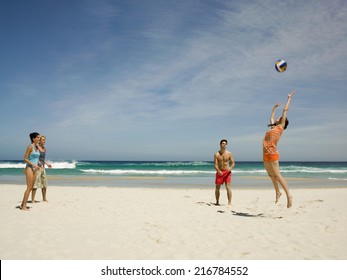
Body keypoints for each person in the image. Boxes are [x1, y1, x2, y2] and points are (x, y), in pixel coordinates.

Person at [262, 90, 296, 208]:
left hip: (272, 153)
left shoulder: (280, 127)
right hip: (265, 153)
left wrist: (289, 98)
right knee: (271, 176)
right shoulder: (273, 127)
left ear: (283, 122)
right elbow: (271, 117)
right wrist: (274, 108)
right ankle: (277, 192)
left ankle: (289, 195)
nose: (278, 118)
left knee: (277, 175)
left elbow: (285, 110)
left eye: (280, 118)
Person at [20, 132, 41, 210]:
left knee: (31, 187)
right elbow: (25, 158)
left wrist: (39, 164)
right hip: (29, 168)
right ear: (33, 139)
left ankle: (22, 204)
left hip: (35, 169)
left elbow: (36, 158)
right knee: (29, 188)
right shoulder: (30, 147)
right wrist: (34, 165)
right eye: (38, 137)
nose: (39, 139)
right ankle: (24, 207)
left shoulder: (37, 147)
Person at [214, 139, 235, 206]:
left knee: (228, 187)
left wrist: (230, 168)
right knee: (217, 187)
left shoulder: (229, 153)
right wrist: (218, 171)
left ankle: (229, 202)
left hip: (227, 172)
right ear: (220, 144)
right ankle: (217, 202)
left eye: (225, 144)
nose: (224, 145)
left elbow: (233, 163)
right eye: (223, 143)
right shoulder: (216, 154)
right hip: (220, 172)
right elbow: (215, 164)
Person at [32, 135, 52, 202]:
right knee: (35, 184)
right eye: (43, 139)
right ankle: (32, 199)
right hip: (37, 168)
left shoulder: (44, 148)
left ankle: (44, 198)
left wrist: (47, 164)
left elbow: (43, 159)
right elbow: (35, 158)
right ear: (39, 141)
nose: (44, 141)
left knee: (44, 183)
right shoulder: (36, 148)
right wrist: (39, 163)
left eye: (45, 140)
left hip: (43, 168)